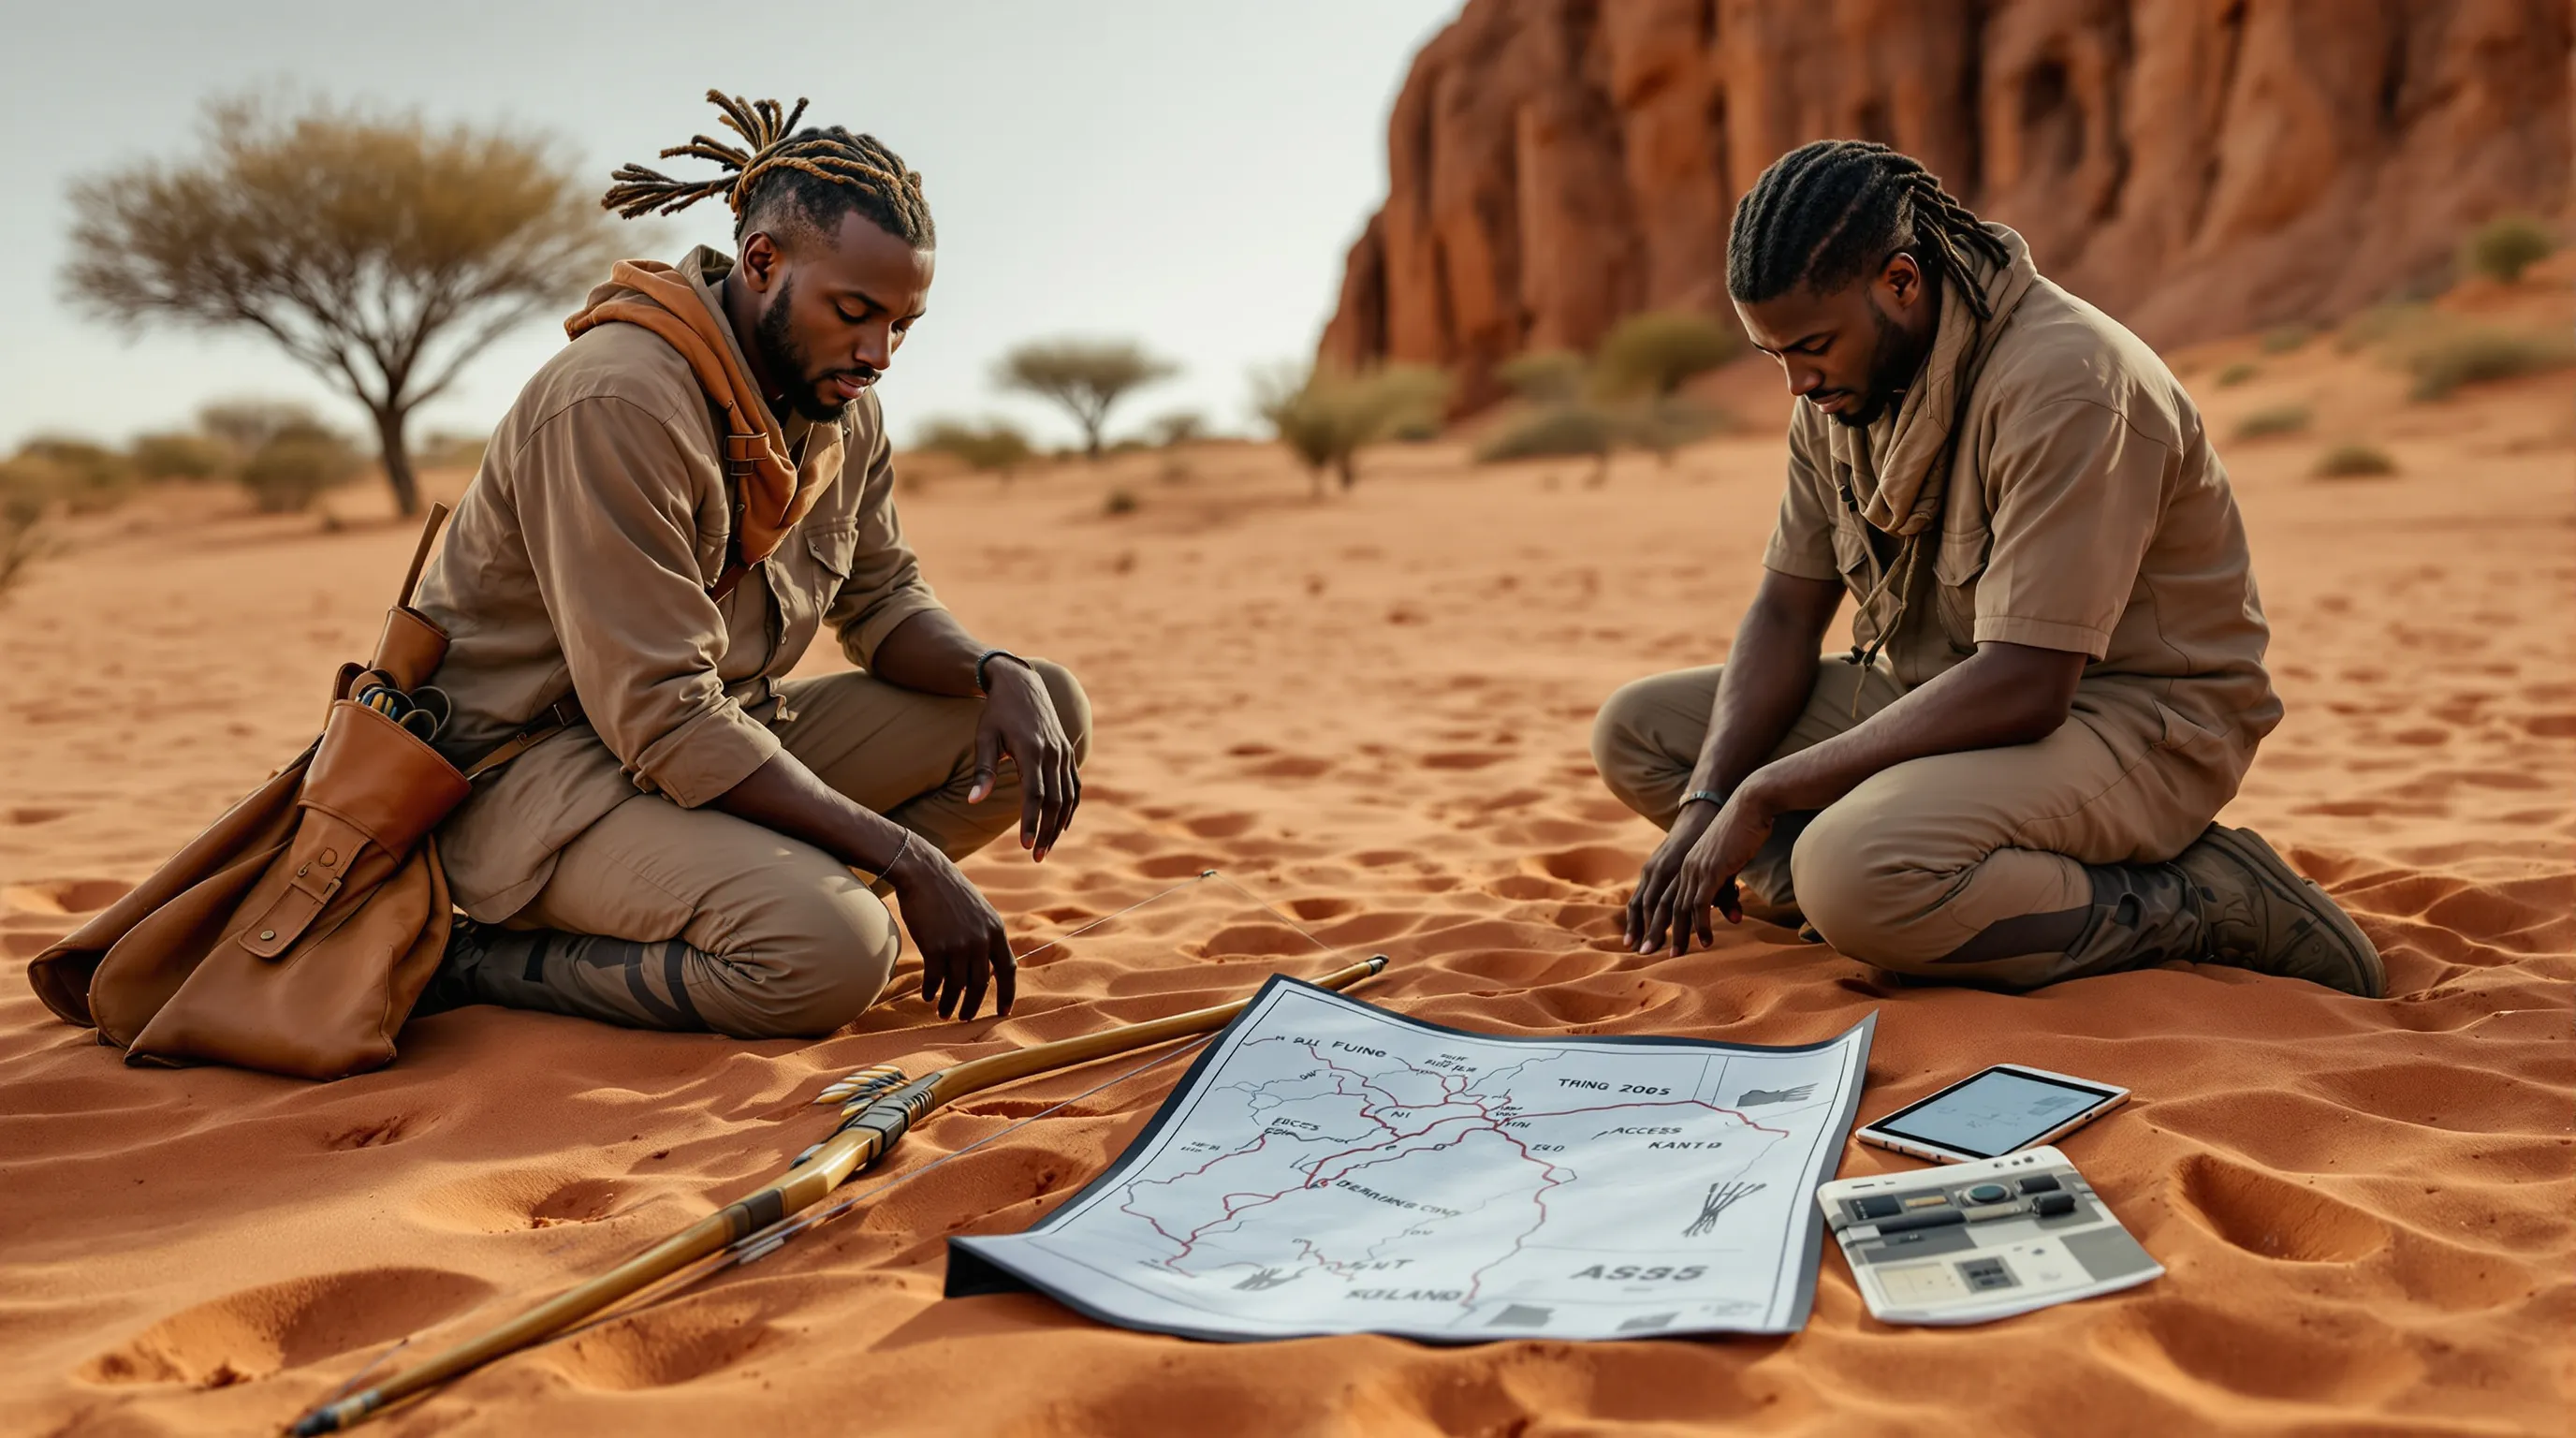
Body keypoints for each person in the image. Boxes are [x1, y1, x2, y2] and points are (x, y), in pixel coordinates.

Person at [1593, 140, 2380, 997]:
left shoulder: (2067, 382)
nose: (1794, 383)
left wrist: (1765, 794)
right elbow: (1787, 610)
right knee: (1642, 733)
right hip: (1948, 692)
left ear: (1901, 281)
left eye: (1811, 346)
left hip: (2133, 717)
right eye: (1772, 355)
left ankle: (2197, 897)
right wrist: (1712, 798)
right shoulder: (1841, 388)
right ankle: (1909, 894)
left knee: (1852, 870)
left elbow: (2030, 683)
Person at [415, 93, 1086, 1036]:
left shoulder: (840, 406)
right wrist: (907, 859)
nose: (878, 352)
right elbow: (660, 710)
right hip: (542, 781)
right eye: (854, 312)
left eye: (903, 324)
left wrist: (996, 671)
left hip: (726, 739)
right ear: (763, 262)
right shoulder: (619, 400)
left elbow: (884, 602)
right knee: (829, 958)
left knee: (1036, 710)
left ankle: (786, 900)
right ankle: (477, 961)